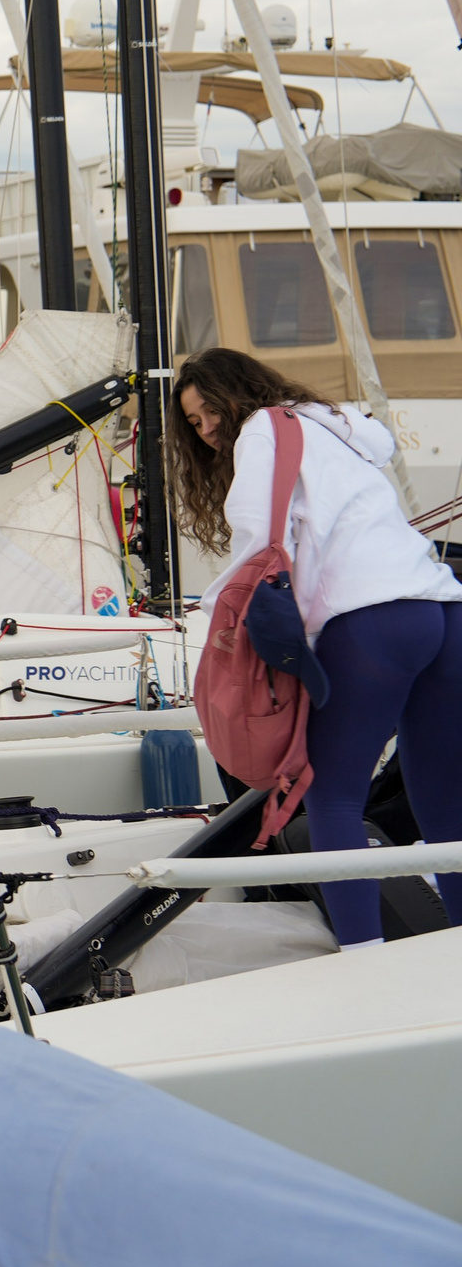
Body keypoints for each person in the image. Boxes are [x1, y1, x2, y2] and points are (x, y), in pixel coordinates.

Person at [174, 348, 462, 946]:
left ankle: (363, 964)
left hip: (372, 620)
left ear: (237, 395)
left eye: (207, 415)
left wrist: (218, 617)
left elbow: (259, 541)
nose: (205, 433)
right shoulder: (337, 431)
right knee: (445, 811)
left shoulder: (260, 430)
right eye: (195, 425)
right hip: (442, 612)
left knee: (329, 800)